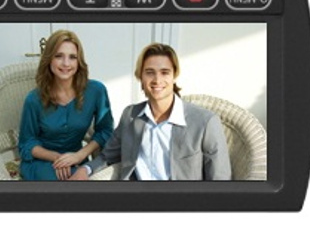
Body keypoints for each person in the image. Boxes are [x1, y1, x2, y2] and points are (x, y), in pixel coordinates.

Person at [70, 43, 231, 181]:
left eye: (164, 72)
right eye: (149, 72)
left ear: (174, 75)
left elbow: (220, 179)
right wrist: (85, 169)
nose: (157, 80)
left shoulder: (205, 122)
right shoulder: (130, 116)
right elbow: (107, 156)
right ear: (140, 76)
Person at [18, 30, 114, 181]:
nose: (66, 63)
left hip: (77, 160)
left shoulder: (96, 91)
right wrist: (58, 158)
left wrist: (80, 155)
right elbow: (26, 143)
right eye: (58, 56)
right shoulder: (33, 99)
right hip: (41, 162)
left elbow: (105, 131)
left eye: (72, 57)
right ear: (49, 59)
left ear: (79, 61)